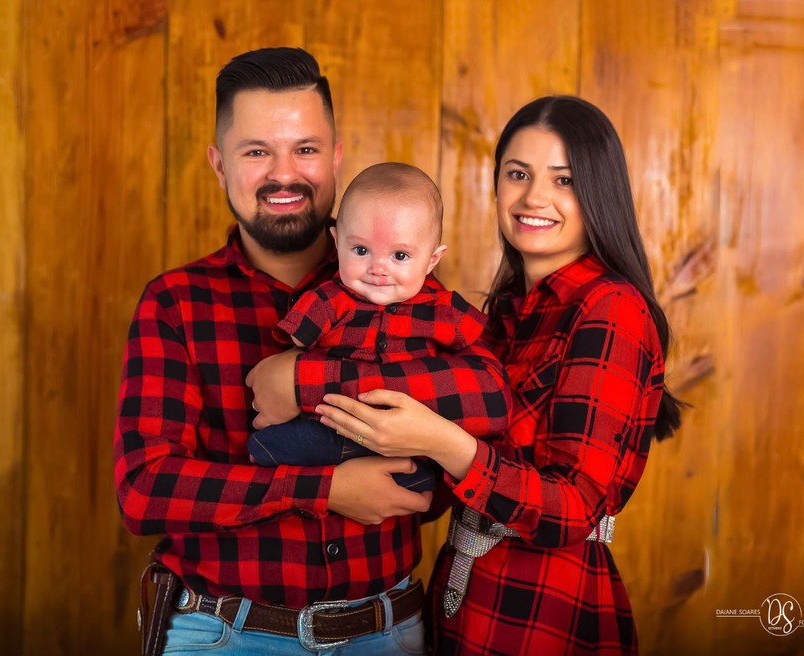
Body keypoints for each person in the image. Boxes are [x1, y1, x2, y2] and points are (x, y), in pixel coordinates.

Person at [113, 47, 511, 656]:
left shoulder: (409, 289)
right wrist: (324, 488)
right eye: (256, 152)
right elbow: (145, 489)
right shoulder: (176, 303)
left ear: (336, 157)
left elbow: (488, 394)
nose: (283, 173)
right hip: (225, 634)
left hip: (387, 630)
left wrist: (306, 379)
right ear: (219, 165)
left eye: (304, 149)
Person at [313, 95, 686, 655]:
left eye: (564, 179)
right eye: (518, 173)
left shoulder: (610, 308)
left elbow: (575, 505)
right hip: (463, 597)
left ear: (598, 191)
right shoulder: (506, 312)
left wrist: (442, 442)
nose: (534, 197)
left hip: (543, 610)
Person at [248, 162, 505, 493]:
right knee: (286, 440)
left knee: (424, 462)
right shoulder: (331, 299)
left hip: (406, 437)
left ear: (431, 261)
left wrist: (302, 380)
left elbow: (488, 385)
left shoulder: (441, 309)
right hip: (333, 425)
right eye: (361, 250)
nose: (378, 268)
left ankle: (403, 470)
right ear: (337, 242)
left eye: (399, 255)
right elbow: (296, 338)